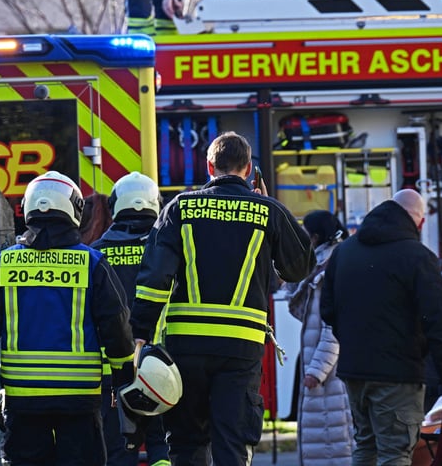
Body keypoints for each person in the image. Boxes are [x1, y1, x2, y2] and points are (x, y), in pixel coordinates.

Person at [130, 131, 314, 465]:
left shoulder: (180, 207)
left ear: (209, 166)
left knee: (186, 444)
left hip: (187, 349)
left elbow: (154, 279)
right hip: (241, 350)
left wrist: (140, 333)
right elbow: (300, 266)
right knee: (232, 443)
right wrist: (271, 205)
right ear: (248, 169)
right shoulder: (267, 211)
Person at [0, 171, 135, 465]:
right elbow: (116, 326)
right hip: (79, 399)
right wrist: (122, 379)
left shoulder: (4, 264)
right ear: (74, 210)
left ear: (29, 209)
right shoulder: (91, 263)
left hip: (23, 399)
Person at [320, 189, 442, 466]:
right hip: (400, 374)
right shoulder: (418, 257)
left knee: (365, 446)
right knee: (395, 452)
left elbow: (328, 310)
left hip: (355, 372)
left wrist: (353, 343)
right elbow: (439, 321)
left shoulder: (344, 252)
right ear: (419, 223)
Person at [91, 172, 170, 466]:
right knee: (162, 444)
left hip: (111, 371)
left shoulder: (96, 252)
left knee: (120, 448)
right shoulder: (167, 247)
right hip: (162, 365)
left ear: (115, 206)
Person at [286, 210, 354, 465]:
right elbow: (298, 302)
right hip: (325, 367)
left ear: (315, 236)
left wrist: (317, 370)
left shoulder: (331, 267)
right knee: (328, 436)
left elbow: (333, 326)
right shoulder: (322, 262)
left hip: (328, 372)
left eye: (305, 233)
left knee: (332, 437)